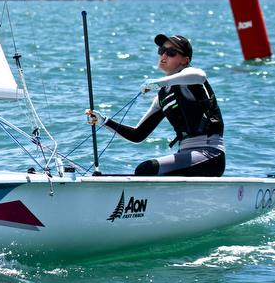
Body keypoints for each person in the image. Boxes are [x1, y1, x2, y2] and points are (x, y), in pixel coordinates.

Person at [87, 34, 226, 177]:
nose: (164, 56)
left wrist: (158, 82)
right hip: (186, 156)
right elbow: (137, 135)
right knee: (142, 171)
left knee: (147, 168)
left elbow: (199, 76)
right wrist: (103, 121)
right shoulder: (162, 96)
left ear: (185, 60)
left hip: (210, 155)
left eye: (171, 53)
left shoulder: (191, 76)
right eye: (161, 51)